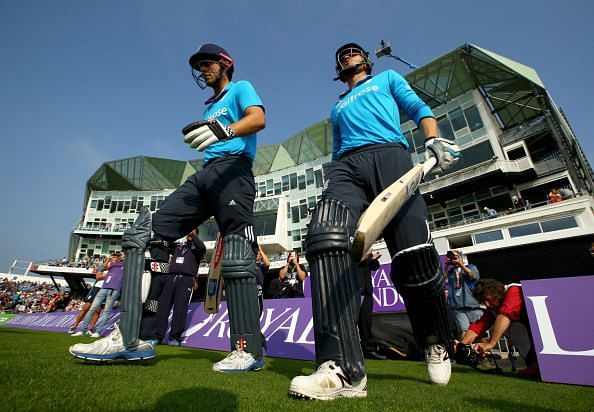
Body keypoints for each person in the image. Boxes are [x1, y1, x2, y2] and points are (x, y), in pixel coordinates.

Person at [69, 43, 266, 372]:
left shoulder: (240, 88)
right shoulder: (209, 107)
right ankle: (130, 338)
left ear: (225, 64)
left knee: (237, 252)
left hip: (234, 171)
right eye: (199, 65)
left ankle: (248, 348)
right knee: (142, 237)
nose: (203, 69)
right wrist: (214, 129)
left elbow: (258, 119)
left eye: (208, 63)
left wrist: (225, 130)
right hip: (204, 176)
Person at [289, 43, 460, 400]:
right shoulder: (337, 107)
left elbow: (418, 109)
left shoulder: (387, 78)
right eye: (342, 54)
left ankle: (434, 341)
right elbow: (337, 149)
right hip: (348, 167)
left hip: (392, 158)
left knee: (414, 257)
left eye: (354, 51)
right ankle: (340, 368)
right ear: (338, 69)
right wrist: (336, 179)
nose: (348, 55)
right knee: (326, 237)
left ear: (365, 59)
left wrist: (432, 138)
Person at [457, 279, 538, 377]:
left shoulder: (514, 290)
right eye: (483, 301)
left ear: (495, 292)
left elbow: (506, 314)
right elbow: (477, 327)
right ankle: (534, 365)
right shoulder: (494, 308)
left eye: (487, 299)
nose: (486, 304)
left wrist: (491, 343)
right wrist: (460, 346)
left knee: (511, 325)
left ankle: (538, 365)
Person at [155, 229, 206, 346]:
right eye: (189, 230)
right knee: (163, 307)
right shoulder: (179, 246)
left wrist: (193, 235)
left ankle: (174, 338)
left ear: (196, 233)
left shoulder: (197, 248)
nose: (189, 232)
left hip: (186, 279)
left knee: (180, 308)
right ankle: (158, 336)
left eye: (193, 231)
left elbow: (202, 248)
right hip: (171, 278)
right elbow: (167, 245)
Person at [72, 252, 125, 338]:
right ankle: (82, 330)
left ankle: (98, 332)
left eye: (122, 254)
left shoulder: (127, 264)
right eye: (119, 254)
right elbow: (102, 268)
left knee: (106, 311)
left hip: (114, 289)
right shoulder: (113, 263)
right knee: (92, 308)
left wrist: (123, 258)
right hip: (104, 288)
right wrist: (109, 258)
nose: (119, 256)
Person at [445, 250, 482, 338]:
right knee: (463, 331)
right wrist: (446, 265)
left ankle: (484, 351)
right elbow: (444, 280)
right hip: (458, 308)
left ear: (460, 257)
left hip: (473, 306)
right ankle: (464, 350)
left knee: (480, 333)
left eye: (456, 256)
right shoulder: (450, 272)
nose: (454, 259)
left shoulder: (471, 267)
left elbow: (473, 275)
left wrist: (460, 264)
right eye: (451, 257)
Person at [357, 249, 385, 360]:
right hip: (355, 290)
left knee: (366, 322)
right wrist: (364, 256)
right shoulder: (353, 249)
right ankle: (352, 351)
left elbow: (374, 267)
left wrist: (373, 259)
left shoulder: (367, 250)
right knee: (352, 322)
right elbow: (351, 263)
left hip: (367, 290)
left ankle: (369, 350)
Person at [68, 258, 107, 334]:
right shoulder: (105, 266)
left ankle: (91, 329)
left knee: (98, 310)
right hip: (97, 287)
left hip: (106, 289)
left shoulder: (118, 267)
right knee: (86, 307)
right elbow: (98, 277)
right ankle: (74, 326)